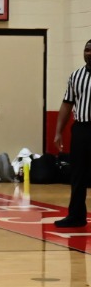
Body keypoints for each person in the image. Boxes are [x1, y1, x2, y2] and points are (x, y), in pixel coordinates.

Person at [53, 39, 91, 228]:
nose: (89, 53)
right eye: (86, 50)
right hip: (82, 129)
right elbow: (67, 103)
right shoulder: (76, 76)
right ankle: (76, 216)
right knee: (78, 174)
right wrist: (58, 131)